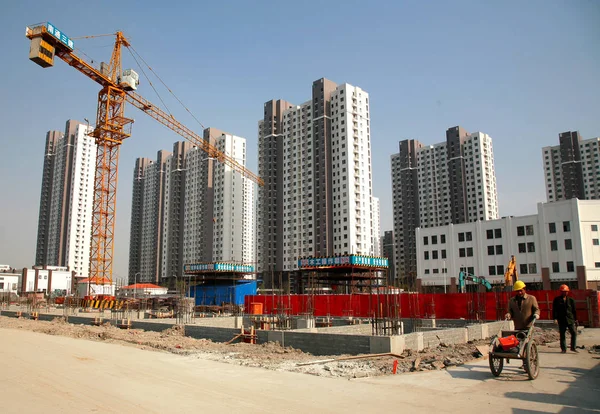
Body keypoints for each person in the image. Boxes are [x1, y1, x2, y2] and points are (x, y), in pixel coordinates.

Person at [553, 284, 578, 353]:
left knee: (574, 333)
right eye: (563, 291)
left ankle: (573, 347)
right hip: (561, 320)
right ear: (560, 292)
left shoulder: (571, 300)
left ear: (568, 292)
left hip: (570, 319)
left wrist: (576, 319)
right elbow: (555, 310)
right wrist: (555, 318)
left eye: (565, 291)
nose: (564, 293)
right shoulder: (557, 300)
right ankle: (563, 349)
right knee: (562, 334)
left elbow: (574, 310)